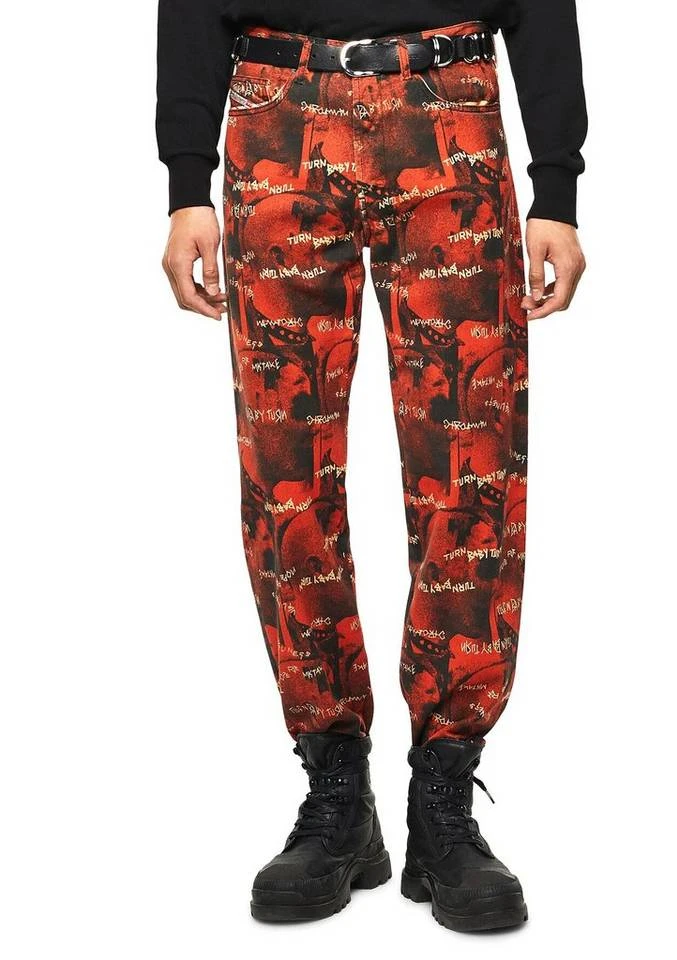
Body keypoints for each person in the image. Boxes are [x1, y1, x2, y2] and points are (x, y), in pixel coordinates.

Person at [155, 0, 587, 931]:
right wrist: (186, 178)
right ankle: (336, 790)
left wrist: (558, 182)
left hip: (448, 106)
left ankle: (444, 798)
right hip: (275, 106)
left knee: (473, 467)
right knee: (286, 469)